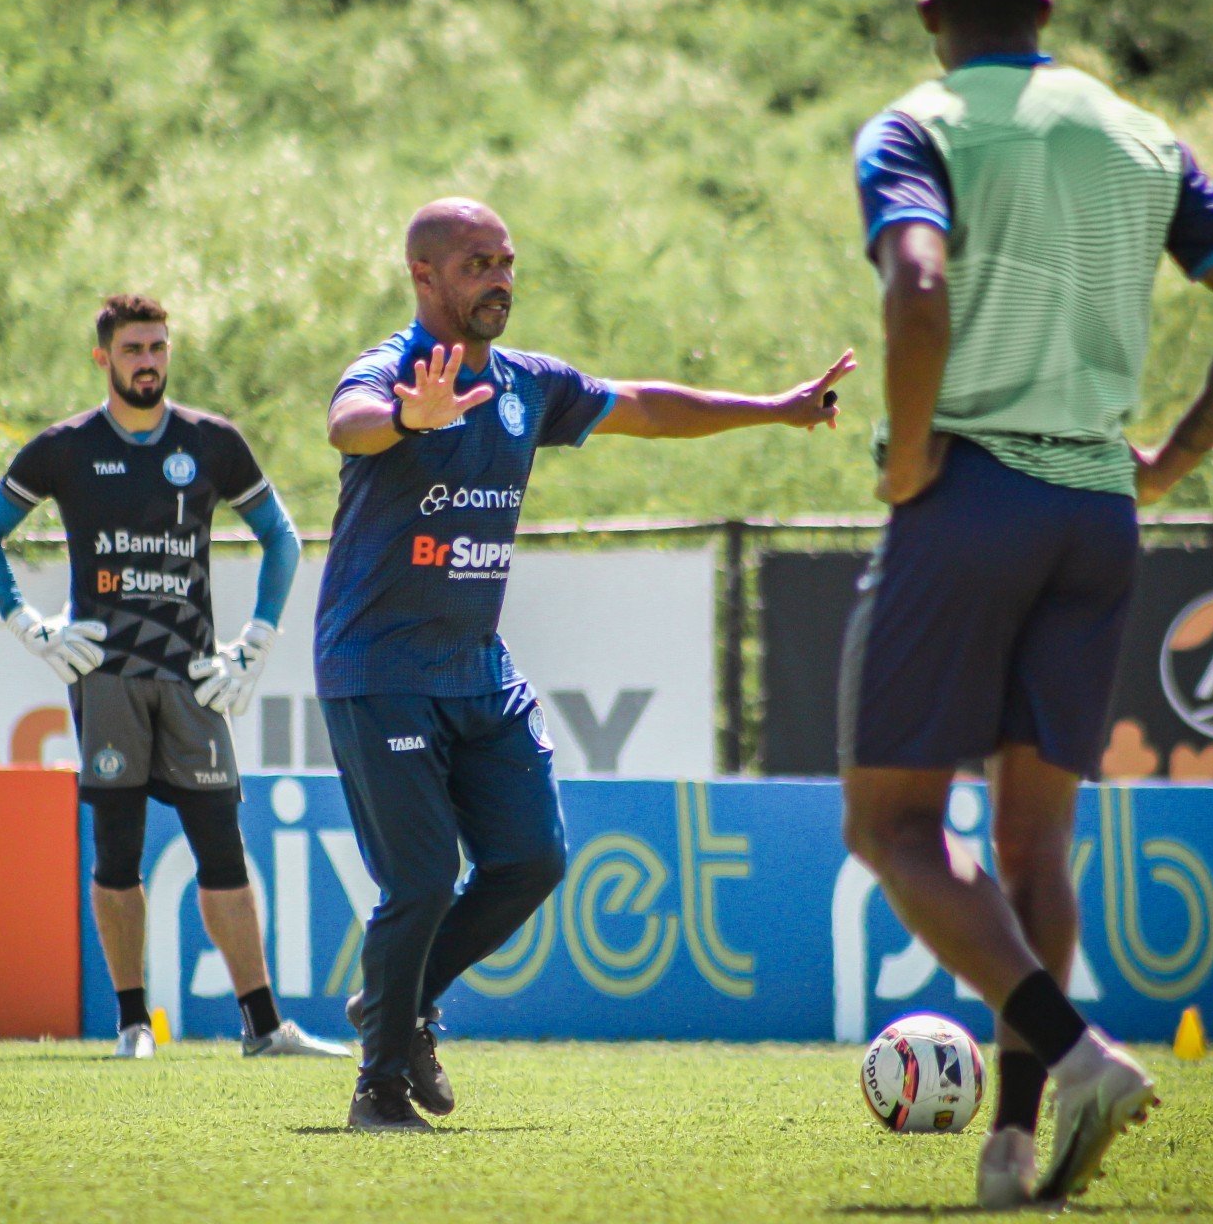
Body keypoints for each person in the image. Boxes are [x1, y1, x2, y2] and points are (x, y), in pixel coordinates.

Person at [841, 0, 1213, 1205]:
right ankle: (1009, 1145)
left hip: (972, 493)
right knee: (1037, 844)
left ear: (930, 14)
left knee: (890, 821)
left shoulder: (917, 121)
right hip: (1101, 508)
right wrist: (1168, 457)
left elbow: (919, 286)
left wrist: (907, 458)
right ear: (1045, 8)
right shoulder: (1137, 135)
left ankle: (1079, 1056)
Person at [319, 197, 856, 1131]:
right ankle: (380, 1081)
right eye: (478, 263)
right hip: (382, 667)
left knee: (532, 859)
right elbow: (349, 421)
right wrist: (410, 418)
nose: (499, 279)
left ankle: (395, 1004)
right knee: (418, 877)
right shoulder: (393, 370)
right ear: (425, 277)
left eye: (507, 261)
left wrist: (772, 410)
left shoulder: (531, 383)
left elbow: (645, 405)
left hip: (477, 669)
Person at [0, 293, 348, 1061]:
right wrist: (31, 626)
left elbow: (283, 538)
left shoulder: (212, 442)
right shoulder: (65, 448)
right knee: (117, 852)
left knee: (223, 851)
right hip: (105, 679)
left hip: (193, 678)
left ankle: (265, 1029)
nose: (149, 362)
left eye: (159, 348)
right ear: (103, 357)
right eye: (134, 349)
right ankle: (133, 1025)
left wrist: (255, 642)